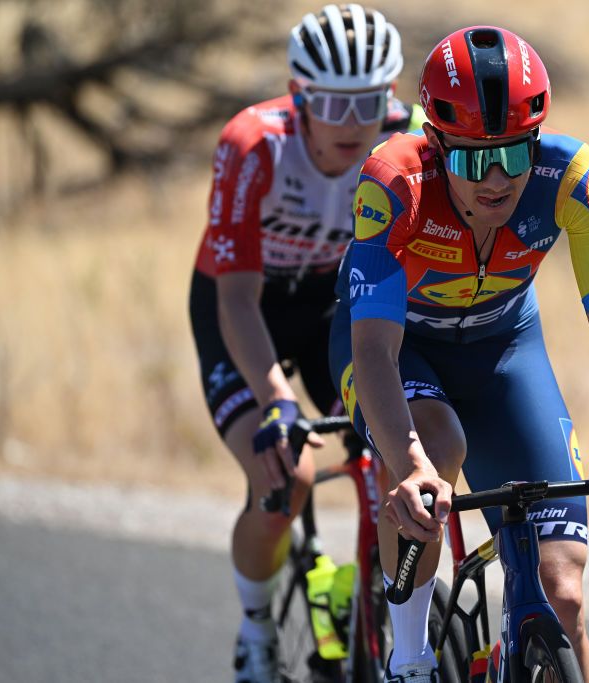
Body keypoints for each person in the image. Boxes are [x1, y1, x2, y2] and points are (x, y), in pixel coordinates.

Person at [329, 26, 589, 683]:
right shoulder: (394, 181)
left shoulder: (572, 177)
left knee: (564, 594)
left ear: (537, 141)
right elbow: (374, 346)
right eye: (471, 160)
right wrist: (408, 465)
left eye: (514, 155)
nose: (496, 179)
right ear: (436, 144)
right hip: (400, 350)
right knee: (437, 446)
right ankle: (408, 657)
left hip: (501, 349)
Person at [188, 5, 425, 682]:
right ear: (299, 95)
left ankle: (378, 605)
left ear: (391, 93)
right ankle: (256, 628)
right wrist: (277, 403)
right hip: (242, 307)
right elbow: (234, 297)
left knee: (391, 453)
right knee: (285, 478)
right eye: (332, 104)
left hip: (330, 308)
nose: (354, 124)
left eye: (370, 102)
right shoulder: (252, 143)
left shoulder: (406, 136)